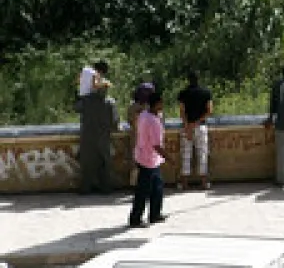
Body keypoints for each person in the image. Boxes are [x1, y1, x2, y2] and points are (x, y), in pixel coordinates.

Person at [128, 91, 168, 228]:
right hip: (148, 159)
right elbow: (156, 145)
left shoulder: (144, 115)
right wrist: (169, 158)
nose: (163, 105)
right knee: (143, 190)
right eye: (161, 103)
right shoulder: (152, 121)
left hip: (145, 157)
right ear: (156, 104)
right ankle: (135, 218)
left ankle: (154, 214)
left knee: (157, 187)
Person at [77, 75, 119, 194]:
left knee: (87, 163)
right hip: (103, 137)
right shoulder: (110, 102)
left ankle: (85, 188)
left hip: (88, 137)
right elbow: (115, 121)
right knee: (104, 163)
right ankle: (106, 188)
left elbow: (76, 107)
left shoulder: (86, 100)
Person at [176, 72, 213, 190]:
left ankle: (184, 183)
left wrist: (188, 126)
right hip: (201, 126)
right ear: (199, 79)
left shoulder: (183, 93)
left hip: (186, 127)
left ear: (188, 80)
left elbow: (182, 112)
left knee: (186, 154)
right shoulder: (206, 93)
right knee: (202, 153)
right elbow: (209, 111)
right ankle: (204, 182)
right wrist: (196, 123)